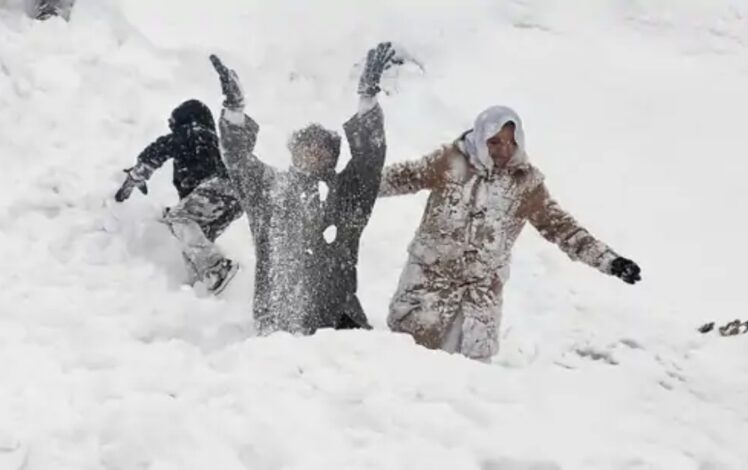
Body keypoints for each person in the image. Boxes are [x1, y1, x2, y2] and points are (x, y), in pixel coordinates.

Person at [379, 106, 642, 362]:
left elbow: (563, 229)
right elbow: (403, 177)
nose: (503, 150)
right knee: (409, 374)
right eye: (494, 142)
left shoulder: (525, 184)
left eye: (510, 142)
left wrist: (610, 261)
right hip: (427, 292)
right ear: (481, 138)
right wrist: (353, 186)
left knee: (466, 391)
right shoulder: (450, 161)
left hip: (477, 309)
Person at [190, 42, 395, 334]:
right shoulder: (270, 189)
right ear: (293, 152)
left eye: (322, 148)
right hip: (279, 322)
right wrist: (234, 111)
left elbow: (370, 159)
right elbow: (238, 159)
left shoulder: (346, 194)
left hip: (338, 322)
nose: (313, 153)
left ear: (332, 156)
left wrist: (367, 100)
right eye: (306, 146)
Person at [115, 99, 243, 293]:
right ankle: (201, 283)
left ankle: (216, 268)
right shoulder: (213, 143)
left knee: (179, 218)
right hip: (234, 198)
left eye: (173, 123)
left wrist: (135, 176)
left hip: (217, 189)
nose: (172, 128)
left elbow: (159, 149)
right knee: (194, 236)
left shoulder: (191, 133)